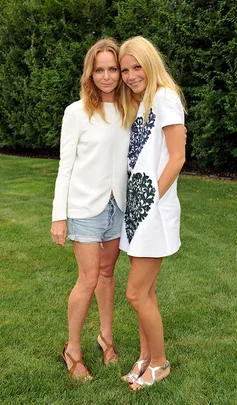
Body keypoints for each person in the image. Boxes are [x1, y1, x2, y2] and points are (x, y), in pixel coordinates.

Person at [50, 38, 130, 380]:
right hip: (84, 207)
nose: (108, 76)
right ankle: (73, 350)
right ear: (90, 73)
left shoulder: (130, 108)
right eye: (100, 70)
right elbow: (65, 165)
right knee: (89, 277)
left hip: (118, 207)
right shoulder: (77, 111)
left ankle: (105, 338)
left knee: (108, 273)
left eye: (113, 69)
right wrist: (58, 215)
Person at [118, 36, 186, 391]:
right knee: (147, 292)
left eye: (136, 66)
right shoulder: (141, 103)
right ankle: (145, 356)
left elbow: (177, 157)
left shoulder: (164, 97)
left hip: (151, 211)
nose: (129, 75)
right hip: (137, 210)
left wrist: (150, 200)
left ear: (150, 63)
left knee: (135, 292)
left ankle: (160, 363)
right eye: (125, 69)